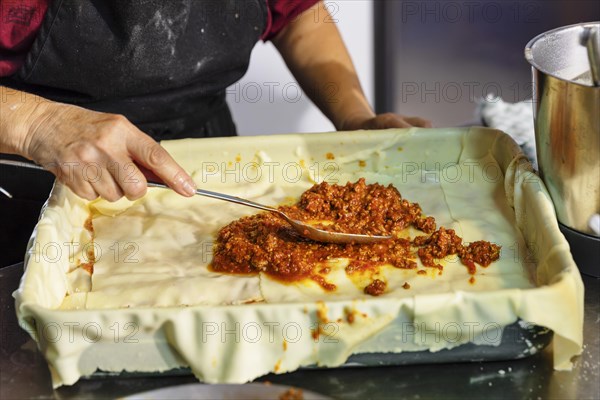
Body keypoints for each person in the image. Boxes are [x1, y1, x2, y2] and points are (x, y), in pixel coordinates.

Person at [1, 0, 430, 203]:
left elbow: (299, 14)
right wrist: (39, 123)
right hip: (37, 179)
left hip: (204, 166)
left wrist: (354, 116)